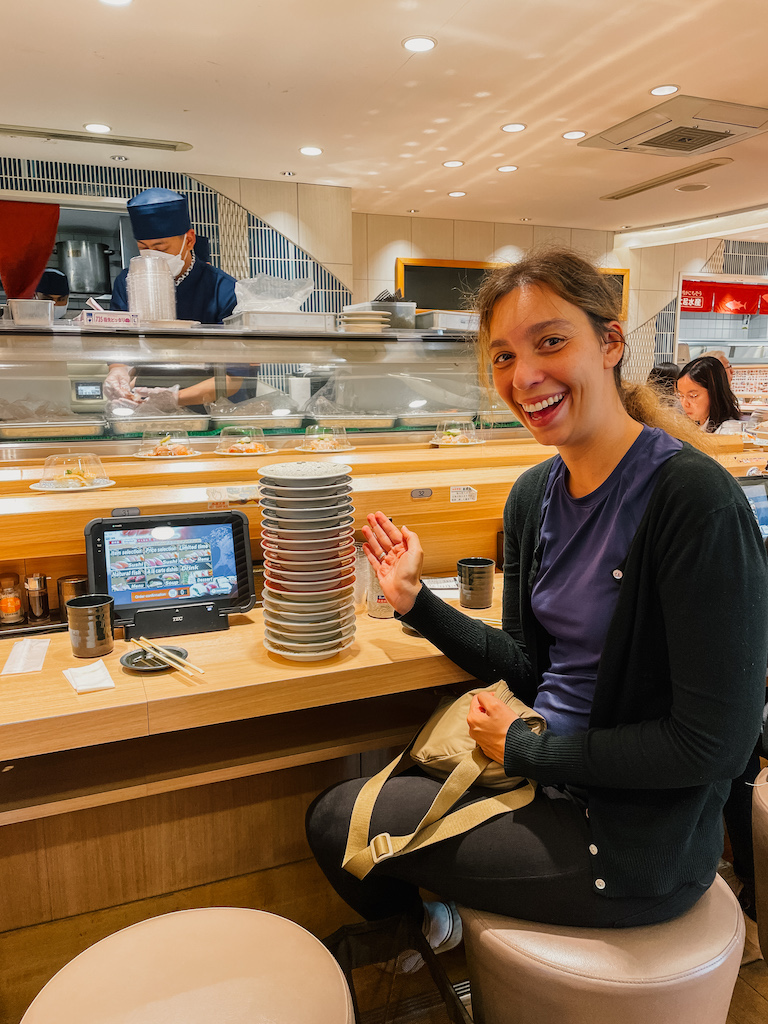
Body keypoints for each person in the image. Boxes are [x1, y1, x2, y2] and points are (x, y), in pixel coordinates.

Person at [305, 247, 768, 944]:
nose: (525, 377)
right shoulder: (534, 497)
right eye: (501, 357)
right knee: (344, 811)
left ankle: (438, 936)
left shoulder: (693, 501)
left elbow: (715, 748)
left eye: (550, 342)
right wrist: (414, 604)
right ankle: (444, 931)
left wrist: (527, 748)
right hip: (543, 776)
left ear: (610, 343)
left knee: (339, 825)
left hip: (632, 839)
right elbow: (528, 664)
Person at [107, 188, 247, 411]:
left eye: (160, 247)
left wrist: (175, 399)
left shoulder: (224, 288)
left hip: (211, 409)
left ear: (189, 240)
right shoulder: (128, 281)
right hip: (144, 404)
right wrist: (118, 370)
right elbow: (120, 342)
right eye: (143, 248)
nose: (151, 255)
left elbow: (234, 377)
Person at [676, 356, 742, 433]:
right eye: (681, 395)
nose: (685, 404)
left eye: (693, 396)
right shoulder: (695, 423)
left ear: (714, 393)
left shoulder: (728, 431)